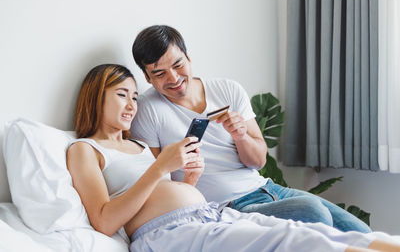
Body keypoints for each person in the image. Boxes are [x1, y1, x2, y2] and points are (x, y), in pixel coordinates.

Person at [67, 63, 400, 252]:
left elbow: (161, 193)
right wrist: (159, 169)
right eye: (122, 95)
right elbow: (105, 220)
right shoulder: (85, 149)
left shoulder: (138, 145)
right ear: (96, 97)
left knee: (321, 235)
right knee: (287, 239)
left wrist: (190, 178)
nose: (132, 105)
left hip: (207, 214)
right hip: (165, 234)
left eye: (135, 97)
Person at [130, 25, 370, 233]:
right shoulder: (148, 111)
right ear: (147, 78)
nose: (173, 78)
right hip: (228, 206)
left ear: (188, 58)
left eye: (178, 65)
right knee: (313, 213)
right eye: (159, 73)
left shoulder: (227, 89)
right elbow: (157, 185)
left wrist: (240, 136)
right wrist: (187, 174)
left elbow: (258, 162)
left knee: (363, 233)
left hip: (268, 189)